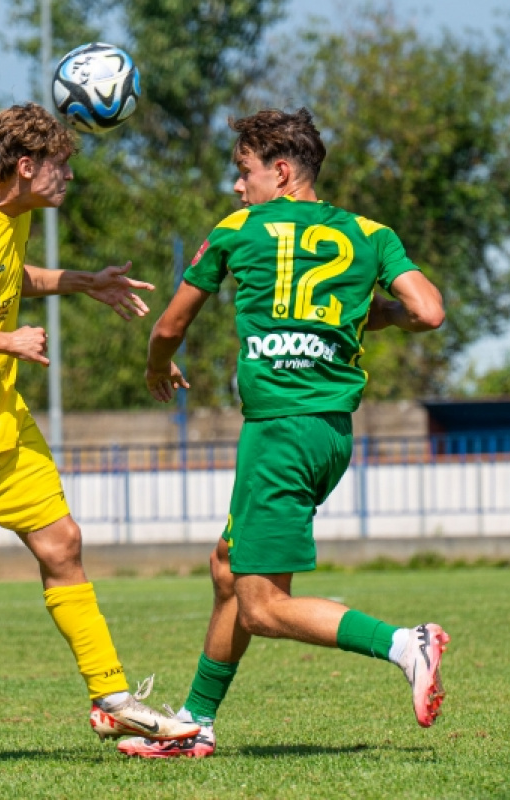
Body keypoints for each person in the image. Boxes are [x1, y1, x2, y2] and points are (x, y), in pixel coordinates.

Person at [117, 108, 449, 760]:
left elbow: (167, 327)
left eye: (243, 173)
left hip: (278, 434)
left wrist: (158, 365)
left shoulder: (237, 231)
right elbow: (428, 311)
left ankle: (405, 644)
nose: (238, 189)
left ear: (281, 170)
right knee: (226, 570)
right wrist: (355, 320)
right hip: (329, 434)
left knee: (262, 607)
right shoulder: (370, 233)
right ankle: (195, 725)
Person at [0, 103, 199, 770]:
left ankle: (109, 697)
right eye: (62, 167)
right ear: (25, 166)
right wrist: (7, 340)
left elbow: (7, 279)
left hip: (0, 417)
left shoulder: (10, 218)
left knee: (63, 542)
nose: (69, 179)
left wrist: (85, 283)